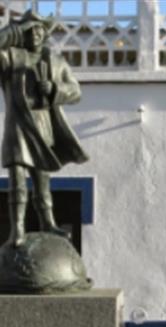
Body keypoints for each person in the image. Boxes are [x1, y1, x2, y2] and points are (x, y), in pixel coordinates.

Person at [0, 9, 89, 247]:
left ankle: (48, 222)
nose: (35, 34)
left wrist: (54, 90)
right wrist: (12, 31)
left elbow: (76, 91)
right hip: (18, 126)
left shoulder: (55, 61)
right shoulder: (11, 58)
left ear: (46, 33)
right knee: (17, 181)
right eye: (30, 30)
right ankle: (17, 229)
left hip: (42, 125)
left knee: (42, 182)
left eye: (39, 29)